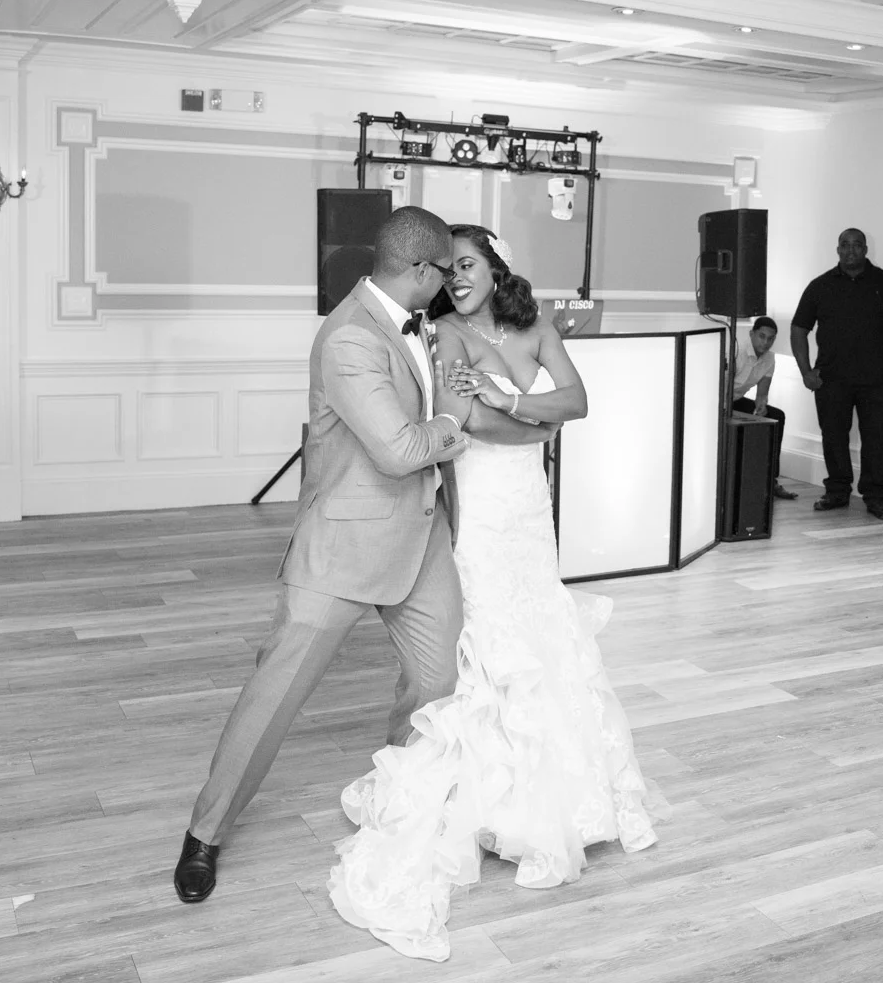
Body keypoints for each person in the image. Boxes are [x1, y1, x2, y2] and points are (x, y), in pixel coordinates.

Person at [174, 207, 552, 904]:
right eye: (444, 271)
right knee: (276, 693)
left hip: (421, 535)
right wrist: (455, 422)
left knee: (436, 682)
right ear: (420, 270)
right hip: (345, 544)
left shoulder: (422, 323)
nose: (450, 283)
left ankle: (401, 803)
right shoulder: (350, 336)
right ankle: (206, 832)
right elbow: (401, 450)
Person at [327, 225, 658, 961]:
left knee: (545, 634)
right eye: (449, 269)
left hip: (529, 515)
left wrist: (513, 399)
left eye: (469, 265)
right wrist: (533, 422)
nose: (457, 279)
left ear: (495, 268)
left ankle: (565, 794)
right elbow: (472, 422)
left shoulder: (535, 327)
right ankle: (491, 802)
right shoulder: (443, 334)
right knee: (489, 639)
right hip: (479, 506)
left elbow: (578, 401)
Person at [790, 228, 883, 520]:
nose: (850, 250)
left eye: (857, 245)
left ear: (865, 249)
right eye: (845, 245)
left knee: (878, 441)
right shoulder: (820, 286)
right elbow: (798, 329)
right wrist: (806, 372)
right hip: (831, 379)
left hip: (877, 380)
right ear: (837, 250)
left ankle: (876, 497)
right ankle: (837, 491)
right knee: (833, 437)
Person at [732, 316, 797, 501]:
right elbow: (719, 387)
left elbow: (761, 395)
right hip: (718, 401)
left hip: (737, 399)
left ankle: (770, 480)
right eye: (762, 336)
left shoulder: (770, 359)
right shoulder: (736, 351)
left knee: (776, 417)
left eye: (770, 339)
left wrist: (761, 406)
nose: (766, 342)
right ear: (751, 334)